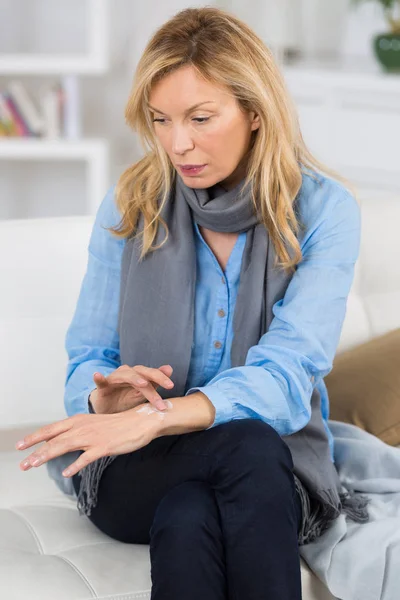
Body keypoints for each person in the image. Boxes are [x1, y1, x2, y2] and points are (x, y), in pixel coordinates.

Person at [18, 7, 366, 600]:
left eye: (201, 118)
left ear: (255, 112)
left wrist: (154, 416)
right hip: (136, 468)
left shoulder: (323, 211)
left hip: (260, 465)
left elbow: (287, 375)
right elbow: (88, 356)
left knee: (191, 512)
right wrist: (103, 397)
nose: (179, 144)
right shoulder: (131, 204)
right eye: (161, 120)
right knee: (246, 449)